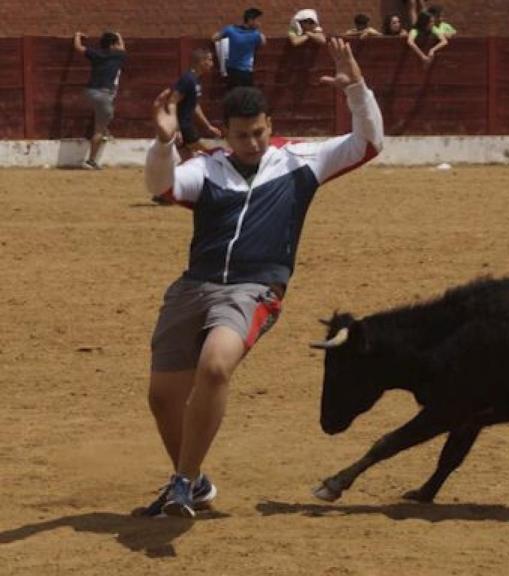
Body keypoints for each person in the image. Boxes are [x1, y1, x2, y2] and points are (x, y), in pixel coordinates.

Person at [137, 37, 383, 518]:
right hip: (193, 287)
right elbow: (161, 186)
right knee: (163, 398)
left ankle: (182, 483)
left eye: (259, 132)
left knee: (214, 367)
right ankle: (197, 480)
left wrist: (357, 90)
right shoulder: (207, 168)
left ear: (270, 125)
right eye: (242, 135)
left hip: (255, 288)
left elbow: (368, 143)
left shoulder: (299, 161)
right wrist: (165, 141)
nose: (252, 143)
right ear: (223, 132)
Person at [73, 31, 126, 170]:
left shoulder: (97, 54)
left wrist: (77, 35)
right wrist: (118, 34)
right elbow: (122, 46)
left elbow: (78, 47)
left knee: (106, 114)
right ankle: (91, 161)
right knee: (99, 130)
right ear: (113, 44)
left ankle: (105, 127)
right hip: (104, 94)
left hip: (90, 92)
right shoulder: (118, 55)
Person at [167, 48, 221, 166]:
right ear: (201, 62)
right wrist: (176, 129)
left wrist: (208, 126)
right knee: (208, 152)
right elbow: (172, 102)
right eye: (210, 60)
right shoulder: (188, 79)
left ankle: (176, 181)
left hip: (185, 124)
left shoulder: (195, 80)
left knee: (188, 160)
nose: (212, 64)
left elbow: (195, 105)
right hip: (183, 125)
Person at [211, 7, 267, 89]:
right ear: (250, 20)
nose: (259, 23)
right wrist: (257, 29)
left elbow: (214, 38)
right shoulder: (255, 35)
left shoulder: (231, 30)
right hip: (245, 71)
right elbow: (263, 42)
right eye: (257, 20)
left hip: (231, 69)